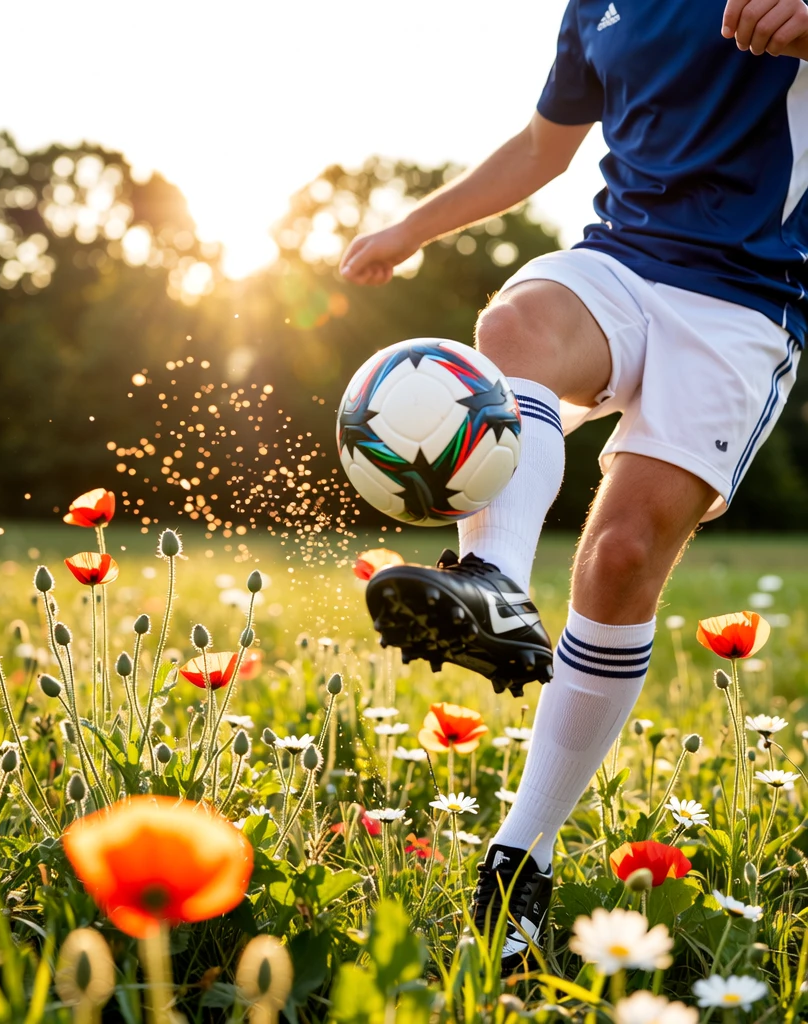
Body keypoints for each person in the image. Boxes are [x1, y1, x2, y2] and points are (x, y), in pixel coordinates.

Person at [341, 0, 808, 976]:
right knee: (515, 328)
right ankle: (495, 584)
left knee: (622, 555)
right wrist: (406, 229)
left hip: (747, 302)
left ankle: (521, 856)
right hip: (620, 265)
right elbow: (540, 148)